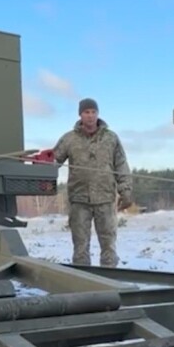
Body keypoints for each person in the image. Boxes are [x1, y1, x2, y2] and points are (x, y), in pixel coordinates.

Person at [53, 98, 133, 267]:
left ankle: (109, 281)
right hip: (79, 200)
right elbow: (53, 161)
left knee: (108, 246)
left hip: (105, 199)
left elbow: (121, 165)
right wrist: (37, 170)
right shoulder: (69, 139)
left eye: (93, 112)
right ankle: (83, 281)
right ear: (80, 115)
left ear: (98, 114)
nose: (90, 116)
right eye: (86, 112)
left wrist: (125, 190)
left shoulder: (111, 138)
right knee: (80, 247)